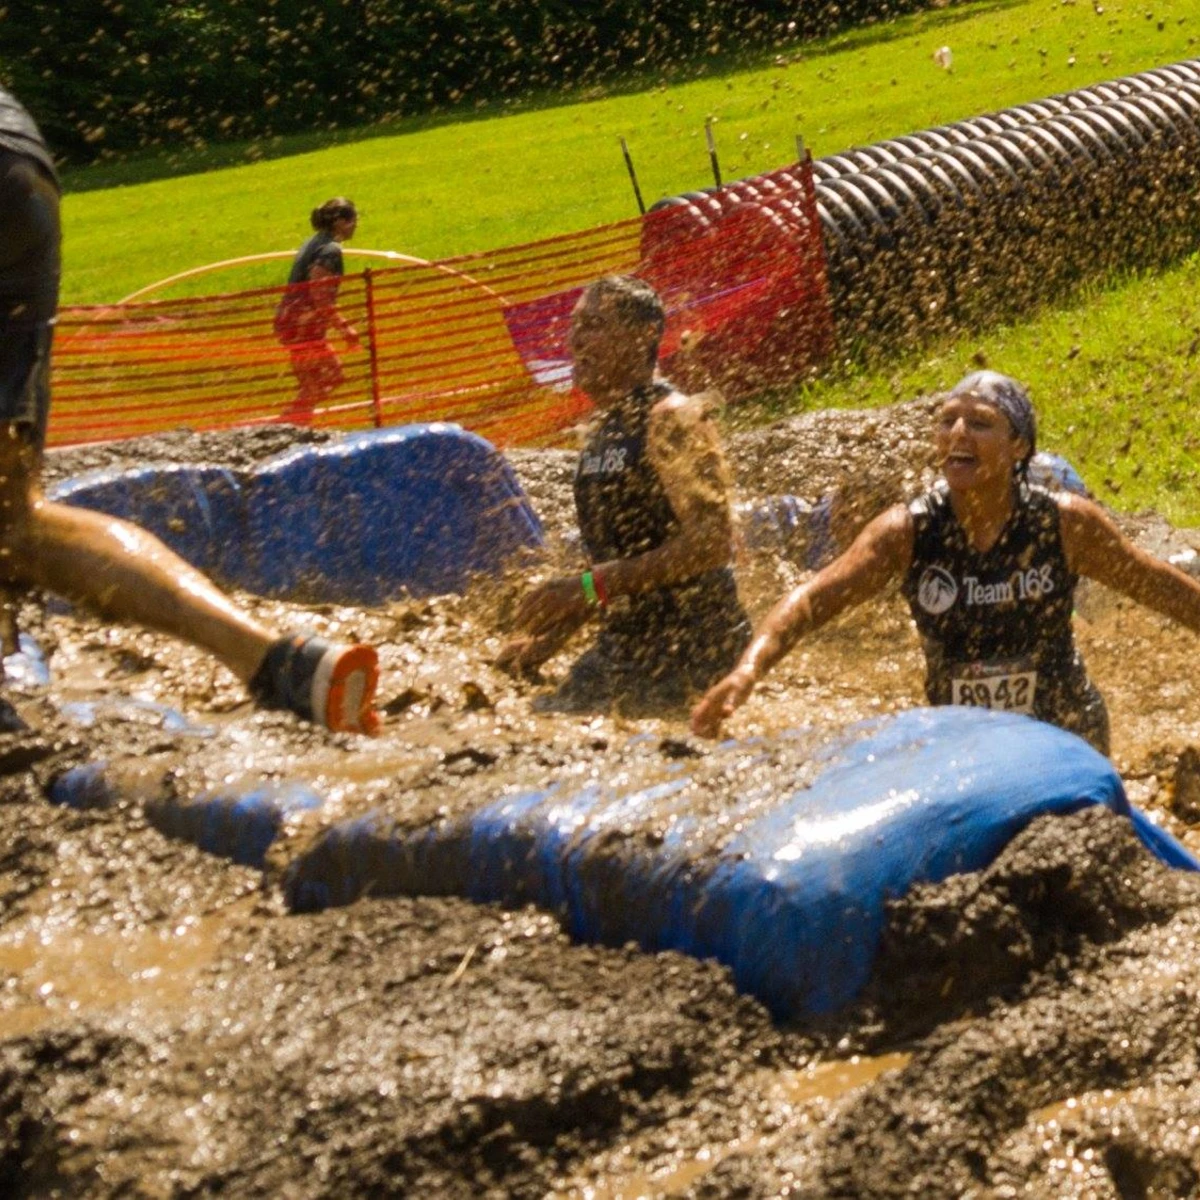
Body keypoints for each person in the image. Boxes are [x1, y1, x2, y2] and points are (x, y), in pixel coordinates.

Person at [0, 87, 379, 733]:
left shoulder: (318, 247)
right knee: (13, 517)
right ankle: (273, 660)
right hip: (19, 166)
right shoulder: (327, 251)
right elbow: (319, 294)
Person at [691, 370, 1200, 754]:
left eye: (980, 423)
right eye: (947, 420)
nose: (958, 432)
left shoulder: (1064, 524)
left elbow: (1166, 591)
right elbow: (812, 599)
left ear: (1018, 446)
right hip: (961, 740)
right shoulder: (908, 532)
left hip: (1067, 735)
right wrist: (747, 672)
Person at [497, 275, 751, 713]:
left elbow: (711, 543)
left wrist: (586, 587)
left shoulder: (673, 418)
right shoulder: (600, 430)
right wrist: (546, 643)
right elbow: (610, 560)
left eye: (594, 324)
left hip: (693, 649)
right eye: (575, 327)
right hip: (628, 646)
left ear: (644, 334)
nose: (576, 340)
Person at [273, 197, 361, 425]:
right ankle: (285, 426)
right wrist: (345, 329)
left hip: (291, 322)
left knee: (315, 384)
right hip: (302, 325)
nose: (356, 224)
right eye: (353, 219)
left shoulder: (314, 242)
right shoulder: (330, 250)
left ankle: (294, 426)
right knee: (328, 377)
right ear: (340, 222)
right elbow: (319, 295)